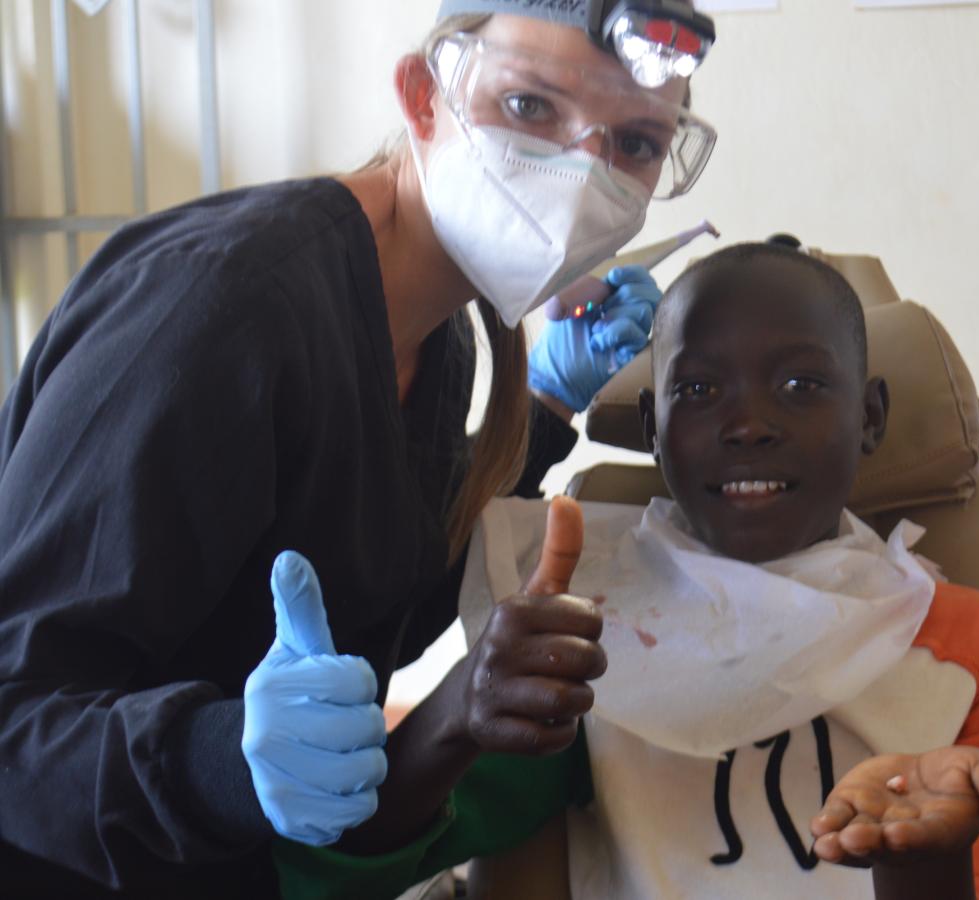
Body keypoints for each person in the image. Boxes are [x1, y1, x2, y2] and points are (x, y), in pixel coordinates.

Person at [0, 2, 719, 897]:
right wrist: (221, 759)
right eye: (532, 109)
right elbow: (17, 725)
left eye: (637, 145)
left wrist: (539, 412)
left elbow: (379, 597)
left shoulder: (442, 338)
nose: (582, 174)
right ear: (425, 98)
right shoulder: (221, 314)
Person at [286, 241, 979, 899]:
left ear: (871, 417)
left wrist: (925, 864)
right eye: (698, 389)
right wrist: (459, 707)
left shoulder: (976, 643)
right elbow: (344, 871)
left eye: (799, 386)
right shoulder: (589, 628)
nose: (749, 423)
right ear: (653, 428)